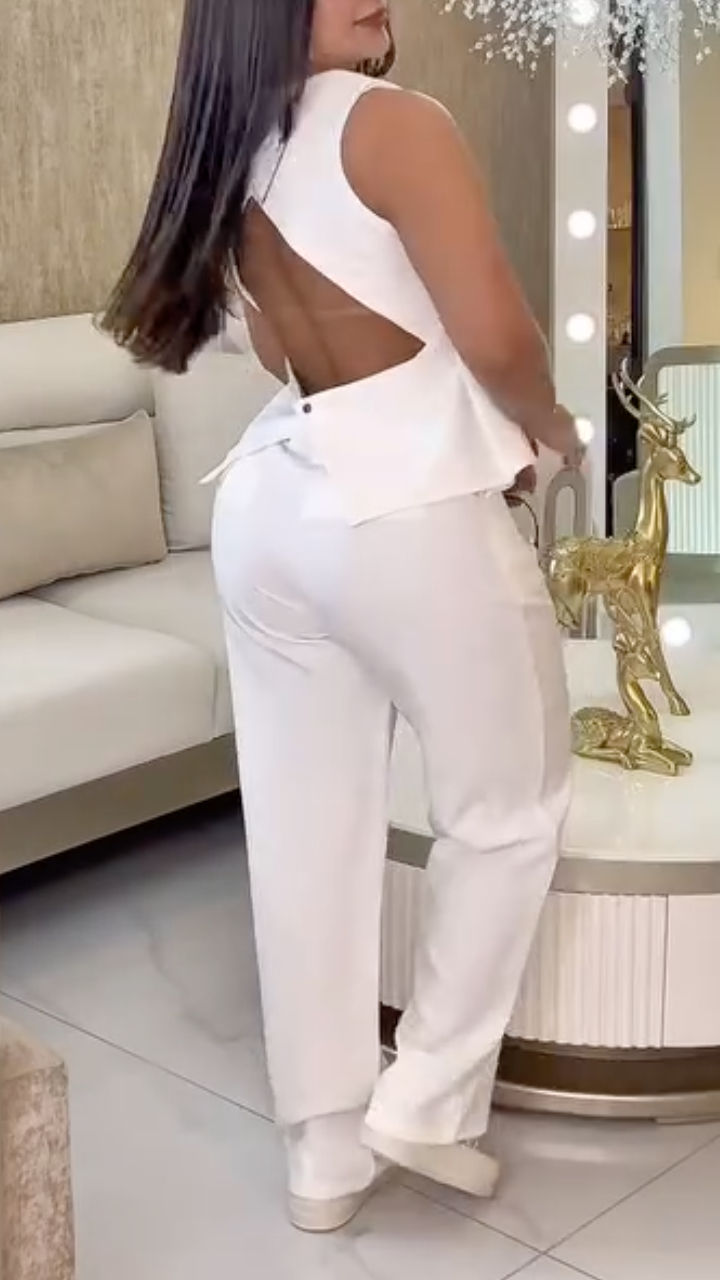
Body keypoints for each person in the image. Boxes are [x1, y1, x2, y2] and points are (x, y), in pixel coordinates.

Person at [102, 0, 580, 1236]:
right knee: (512, 803)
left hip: (273, 510)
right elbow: (496, 334)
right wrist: (555, 429)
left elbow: (283, 353)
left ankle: (322, 1156)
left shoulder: (232, 145)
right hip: (406, 514)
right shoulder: (392, 124)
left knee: (303, 836)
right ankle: (427, 1096)